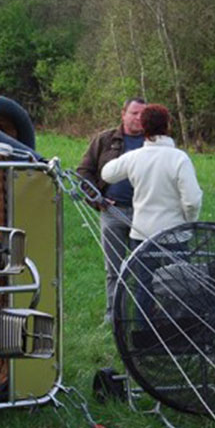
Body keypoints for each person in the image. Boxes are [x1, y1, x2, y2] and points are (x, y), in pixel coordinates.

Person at [100, 104, 202, 328]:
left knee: (144, 286)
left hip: (142, 234)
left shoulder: (136, 157)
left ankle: (143, 335)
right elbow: (192, 200)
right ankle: (180, 332)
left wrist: (126, 160)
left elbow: (107, 173)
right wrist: (188, 220)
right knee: (180, 284)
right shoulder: (179, 159)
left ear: (144, 127)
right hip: (175, 234)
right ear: (168, 126)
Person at [76, 97, 146, 323]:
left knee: (144, 267)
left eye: (143, 114)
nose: (138, 118)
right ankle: (114, 315)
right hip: (112, 213)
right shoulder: (105, 140)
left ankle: (144, 317)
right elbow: (83, 172)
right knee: (114, 268)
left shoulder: (154, 142)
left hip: (145, 215)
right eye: (134, 113)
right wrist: (98, 199)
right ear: (123, 113)